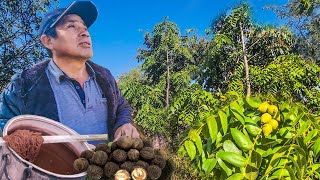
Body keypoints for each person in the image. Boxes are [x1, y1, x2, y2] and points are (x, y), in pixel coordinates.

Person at [0, 1, 139, 142]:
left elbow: (121, 106)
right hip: (50, 164)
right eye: (71, 26)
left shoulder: (105, 77)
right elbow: (4, 126)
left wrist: (124, 123)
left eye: (85, 27)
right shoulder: (23, 85)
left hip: (106, 163)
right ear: (48, 41)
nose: (85, 33)